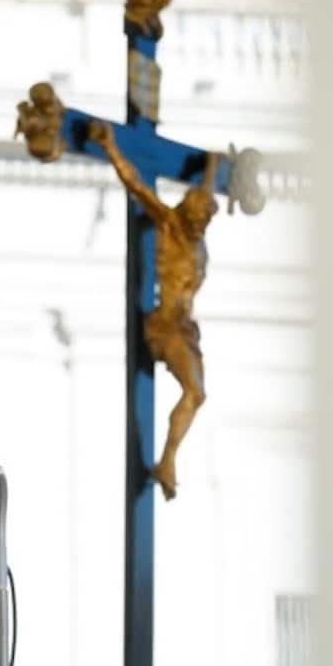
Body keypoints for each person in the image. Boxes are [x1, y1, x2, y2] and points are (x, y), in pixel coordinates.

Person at [88, 120, 219, 500]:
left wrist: (211, 166)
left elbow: (207, 190)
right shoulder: (170, 225)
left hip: (185, 326)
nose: (201, 222)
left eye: (205, 218)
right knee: (194, 392)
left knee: (197, 394)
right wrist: (112, 146)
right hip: (164, 326)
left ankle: (167, 459)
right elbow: (135, 185)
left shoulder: (196, 238)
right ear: (187, 212)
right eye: (197, 216)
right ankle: (167, 459)